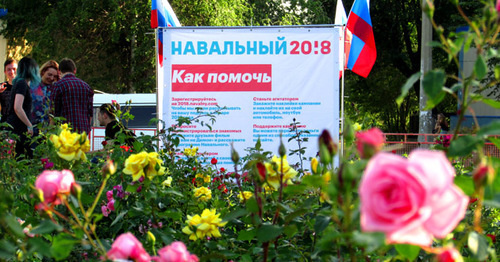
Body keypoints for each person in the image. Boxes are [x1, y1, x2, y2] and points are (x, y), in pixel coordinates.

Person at [6, 57, 40, 158]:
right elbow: (18, 107)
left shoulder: (20, 83)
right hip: (19, 129)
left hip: (17, 128)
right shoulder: (22, 84)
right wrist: (29, 125)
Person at [50, 58, 93, 134]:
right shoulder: (87, 87)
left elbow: (53, 111)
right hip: (82, 131)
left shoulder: (58, 85)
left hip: (65, 132)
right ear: (75, 70)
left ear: (59, 71)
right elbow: (90, 113)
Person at [31, 60, 59, 128]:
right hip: (31, 126)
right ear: (43, 72)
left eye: (54, 76)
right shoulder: (32, 85)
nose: (51, 78)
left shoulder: (55, 88)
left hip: (47, 129)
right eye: (49, 75)